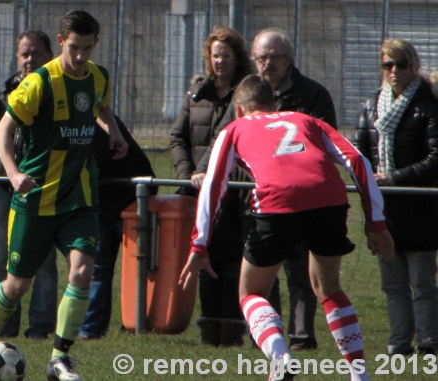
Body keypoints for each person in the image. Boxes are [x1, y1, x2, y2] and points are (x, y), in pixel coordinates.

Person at [179, 75, 395, 381]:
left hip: (277, 202)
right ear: (273, 104)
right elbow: (357, 160)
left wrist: (200, 245)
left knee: (251, 292)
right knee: (328, 287)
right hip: (329, 200)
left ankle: (280, 359)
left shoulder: (235, 128)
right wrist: (376, 223)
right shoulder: (306, 120)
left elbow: (214, 184)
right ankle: (359, 375)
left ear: (239, 110)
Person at [0, 10, 128, 381]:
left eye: (88, 48)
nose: (81, 56)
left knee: (82, 270)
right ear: (60, 41)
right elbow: (2, 131)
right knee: (17, 285)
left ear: (95, 44)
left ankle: (59, 358)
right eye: (74, 48)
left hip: (79, 195)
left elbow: (102, 106)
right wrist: (12, 172)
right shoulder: (40, 82)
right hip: (36, 197)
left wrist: (113, 131)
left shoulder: (99, 77)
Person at [195, 28, 338, 351]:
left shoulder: (311, 95)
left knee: (302, 272)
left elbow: (323, 139)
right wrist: (202, 170)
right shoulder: (245, 92)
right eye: (261, 57)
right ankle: (269, 338)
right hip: (254, 200)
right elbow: (224, 136)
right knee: (263, 274)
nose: (267, 63)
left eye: (275, 57)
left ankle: (301, 336)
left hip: (302, 197)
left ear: (289, 59)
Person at [169, 26, 254, 347]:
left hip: (233, 191)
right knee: (204, 259)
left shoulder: (244, 94)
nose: (220, 61)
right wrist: (186, 174)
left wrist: (205, 173)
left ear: (237, 58)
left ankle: (231, 332)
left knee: (232, 263)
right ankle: (208, 333)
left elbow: (226, 138)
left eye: (227, 55)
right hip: (197, 190)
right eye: (215, 55)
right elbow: (178, 136)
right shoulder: (195, 92)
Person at [353, 38, 438, 355]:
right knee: (392, 284)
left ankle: (429, 343)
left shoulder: (428, 105)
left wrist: (393, 178)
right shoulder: (370, 105)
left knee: (423, 282)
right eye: (388, 65)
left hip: (420, 207)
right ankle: (399, 344)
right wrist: (369, 180)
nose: (394, 71)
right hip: (383, 210)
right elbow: (359, 154)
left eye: (401, 64)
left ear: (413, 66)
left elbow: (435, 159)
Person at [0, 29, 58, 340]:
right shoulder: (1, 98)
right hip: (6, 193)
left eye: (36, 53)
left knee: (44, 264)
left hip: (44, 193)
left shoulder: (56, 92)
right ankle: (5, 325)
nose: (29, 60)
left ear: (49, 56)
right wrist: (5, 178)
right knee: (2, 262)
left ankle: (40, 327)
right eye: (24, 54)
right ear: (16, 57)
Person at [78, 114, 157, 340]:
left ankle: (135, 323)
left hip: (133, 199)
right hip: (103, 203)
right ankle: (91, 328)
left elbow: (91, 162)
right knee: (99, 267)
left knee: (137, 266)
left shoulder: (94, 122)